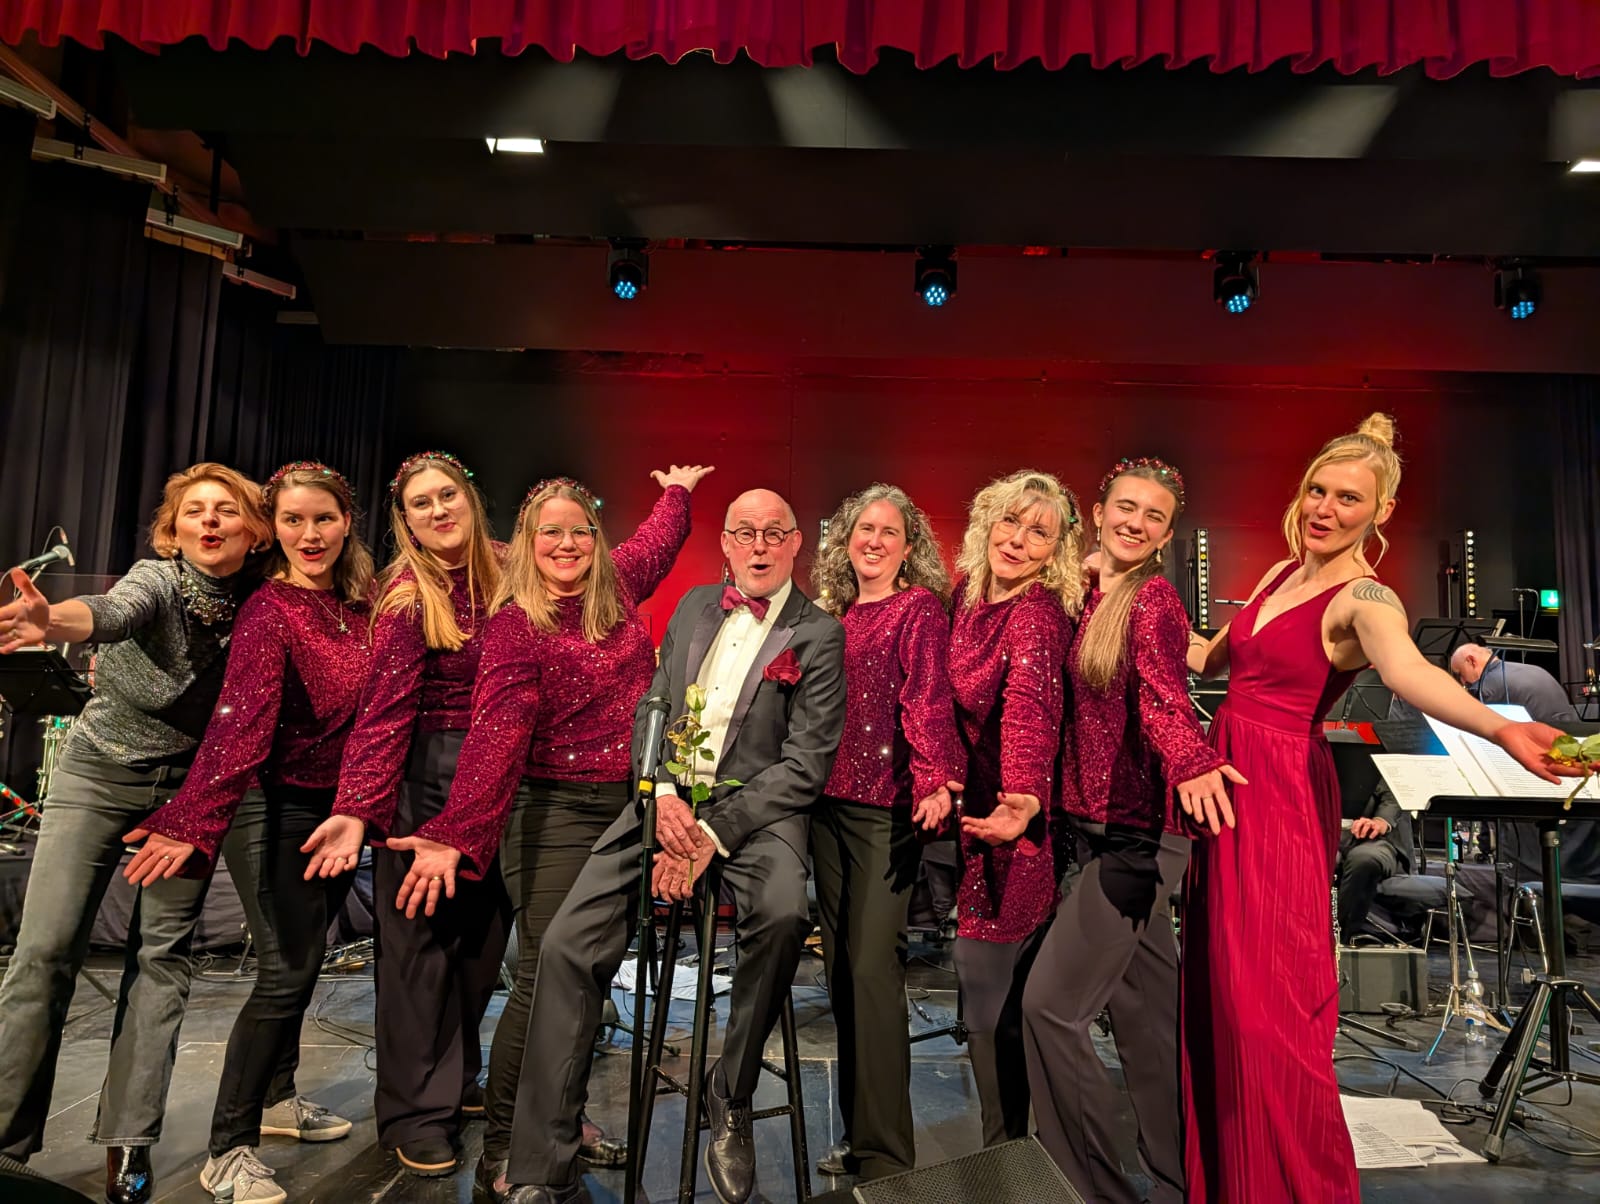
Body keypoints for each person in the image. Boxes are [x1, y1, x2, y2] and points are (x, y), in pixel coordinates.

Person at [1184, 414, 1579, 1203]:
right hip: (1226, 786)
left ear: (1381, 512)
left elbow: (1407, 672)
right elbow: (1205, 657)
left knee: (1267, 1009)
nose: (1325, 509)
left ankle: (1293, 1185)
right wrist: (1125, 602)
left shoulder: (1365, 597)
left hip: (1277, 794)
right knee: (1222, 995)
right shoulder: (1277, 574)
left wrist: (1502, 727)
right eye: (1318, 491)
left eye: (1348, 498)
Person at [493, 487, 846, 1204]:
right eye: (744, 532)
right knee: (564, 944)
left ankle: (731, 1090)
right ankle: (543, 1160)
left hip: (758, 816)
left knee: (784, 915)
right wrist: (661, 795)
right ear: (725, 543)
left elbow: (804, 766)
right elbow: (652, 708)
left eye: (772, 533)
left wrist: (712, 832)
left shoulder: (818, 634)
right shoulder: (693, 605)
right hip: (667, 803)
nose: (758, 546)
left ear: (795, 543)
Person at [378, 467, 707, 1200]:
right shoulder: (516, 623)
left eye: (578, 530)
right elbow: (496, 735)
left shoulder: (615, 588)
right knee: (544, 983)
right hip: (553, 813)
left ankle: (560, 1118)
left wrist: (677, 494)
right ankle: (507, 1145)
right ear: (525, 542)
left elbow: (655, 544)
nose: (565, 543)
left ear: (595, 538)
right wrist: (457, 831)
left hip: (626, 812)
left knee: (586, 981)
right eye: (548, 531)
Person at [0, 463, 271, 1204]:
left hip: (187, 793)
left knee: (161, 961)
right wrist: (52, 622)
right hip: (99, 773)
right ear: (172, 529)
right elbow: (110, 610)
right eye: (194, 510)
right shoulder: (156, 580)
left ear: (254, 531)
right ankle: (4, 1141)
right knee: (44, 951)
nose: (209, 520)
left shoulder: (266, 604)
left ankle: (129, 1141)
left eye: (226, 510)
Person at [124, 461, 377, 1204]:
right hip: (272, 805)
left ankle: (277, 1099)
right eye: (293, 520)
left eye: (323, 518)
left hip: (336, 810)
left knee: (306, 959)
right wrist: (192, 819)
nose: (310, 534)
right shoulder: (270, 609)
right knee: (286, 970)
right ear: (275, 528)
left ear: (347, 521)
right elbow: (240, 723)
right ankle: (227, 1148)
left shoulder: (362, 604)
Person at [1023, 457, 1242, 1203]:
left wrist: (1192, 761)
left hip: (1138, 836)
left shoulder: (1152, 601)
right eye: (1125, 507)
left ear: (1168, 534)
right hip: (1092, 831)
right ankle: (1185, 1184)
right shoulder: (1082, 590)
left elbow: (1162, 696)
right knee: (1150, 1027)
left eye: (1154, 516)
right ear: (1097, 510)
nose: (1135, 523)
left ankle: (1095, 1189)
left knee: (1050, 1009)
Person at [294, 451, 508, 1178]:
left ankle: (460, 1077)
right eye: (421, 503)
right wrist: (359, 807)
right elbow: (384, 714)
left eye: (447, 495)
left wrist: (675, 504)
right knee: (420, 950)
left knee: (481, 948)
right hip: (427, 771)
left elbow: (619, 573)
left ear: (470, 497)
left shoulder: (513, 569)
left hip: (501, 773)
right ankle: (415, 1113)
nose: (438, 510)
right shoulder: (405, 595)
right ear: (405, 521)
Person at [808, 484, 965, 1181]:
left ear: (908, 547)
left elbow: (926, 696)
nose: (874, 541)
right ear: (845, 541)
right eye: (863, 530)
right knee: (843, 974)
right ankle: (859, 1133)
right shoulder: (835, 615)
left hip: (885, 811)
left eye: (888, 532)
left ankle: (886, 1156)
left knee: (873, 970)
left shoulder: (917, 608)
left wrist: (934, 776)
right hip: (825, 809)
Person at [952, 469, 1083, 1147]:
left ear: (1056, 551)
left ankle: (1010, 1154)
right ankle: (1005, 1151)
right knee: (982, 997)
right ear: (986, 522)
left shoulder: (1035, 614)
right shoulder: (966, 595)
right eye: (1010, 521)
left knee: (993, 999)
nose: (1018, 540)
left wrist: (1025, 794)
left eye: (1039, 533)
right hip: (967, 817)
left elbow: (1031, 708)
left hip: (1013, 825)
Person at [1336, 781, 1413, 942]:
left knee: (1364, 859)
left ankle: (1341, 939)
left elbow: (1393, 792)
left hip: (1379, 841)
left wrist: (1381, 820)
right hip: (1327, 835)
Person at [1449, 643, 1580, 725]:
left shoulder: (1484, 687)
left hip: (1539, 745)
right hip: (1569, 737)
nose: (1462, 681)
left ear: (1471, 661)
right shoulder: (1536, 669)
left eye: (1460, 673)